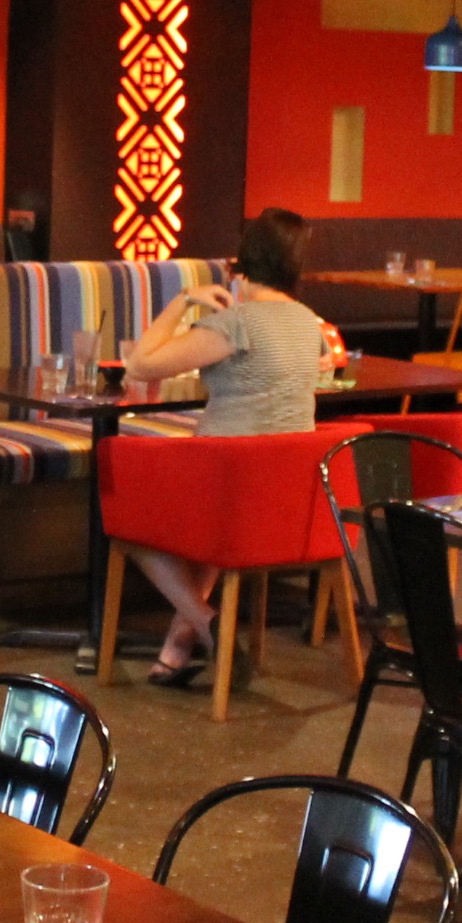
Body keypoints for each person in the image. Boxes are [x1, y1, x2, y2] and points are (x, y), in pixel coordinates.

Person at [113, 207, 327, 687]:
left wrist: (185, 299)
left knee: (128, 521)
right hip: (293, 499)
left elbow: (140, 365)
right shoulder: (309, 324)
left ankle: (208, 623)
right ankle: (178, 645)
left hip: (232, 490)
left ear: (243, 261)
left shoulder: (237, 325)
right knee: (215, 529)